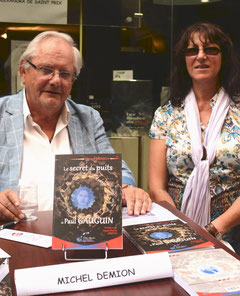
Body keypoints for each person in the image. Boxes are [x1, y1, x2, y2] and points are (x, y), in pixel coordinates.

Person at [0, 30, 152, 221]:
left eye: (65, 74)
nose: (56, 81)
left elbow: (116, 169)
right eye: (46, 70)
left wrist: (127, 189)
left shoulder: (87, 118)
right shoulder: (2, 115)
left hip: (76, 238)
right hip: (11, 237)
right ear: (23, 71)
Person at [148, 22, 240, 254]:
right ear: (183, 60)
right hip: (176, 232)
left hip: (234, 234)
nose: (201, 56)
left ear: (223, 57)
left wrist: (213, 230)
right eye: (192, 50)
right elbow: (156, 187)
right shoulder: (165, 115)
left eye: (210, 49)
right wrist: (182, 228)